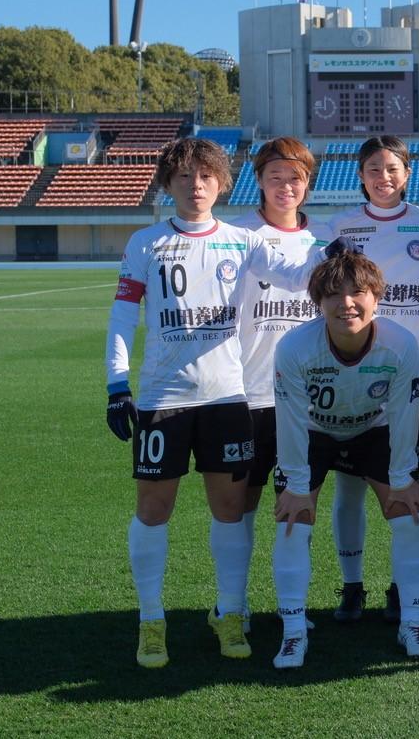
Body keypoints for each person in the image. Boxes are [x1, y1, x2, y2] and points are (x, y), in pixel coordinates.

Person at [104, 137, 321, 669]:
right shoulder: (146, 243)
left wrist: (334, 249)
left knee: (229, 511)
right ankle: (150, 621)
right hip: (163, 399)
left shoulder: (242, 240)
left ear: (222, 184)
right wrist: (117, 384)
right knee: (153, 511)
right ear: (168, 184)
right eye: (184, 177)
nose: (195, 186)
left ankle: (229, 611)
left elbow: (297, 276)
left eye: (205, 177)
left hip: (227, 398)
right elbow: (122, 315)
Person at [271, 242, 419, 668]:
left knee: (409, 514)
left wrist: (403, 477)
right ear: (317, 302)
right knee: (292, 521)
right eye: (333, 294)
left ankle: (412, 622)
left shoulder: (401, 344)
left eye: (358, 292)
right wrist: (296, 486)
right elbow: (289, 420)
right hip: (314, 433)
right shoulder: (294, 347)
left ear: (376, 297)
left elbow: (404, 415)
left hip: (373, 430)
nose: (346, 303)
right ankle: (293, 631)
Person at [328, 136, 419, 624]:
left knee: (410, 485)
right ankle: (352, 586)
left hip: (416, 379)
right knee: (349, 488)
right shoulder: (341, 228)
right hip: (354, 375)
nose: (384, 177)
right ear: (360, 175)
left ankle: (403, 586)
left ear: (408, 173)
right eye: (374, 168)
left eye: (392, 168)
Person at [229, 137, 328, 632]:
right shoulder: (236, 234)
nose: (286, 186)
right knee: (240, 505)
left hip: (305, 402)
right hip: (246, 394)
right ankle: (234, 603)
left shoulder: (324, 239)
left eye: (295, 177)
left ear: (308, 183)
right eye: (275, 177)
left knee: (297, 506)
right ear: (259, 180)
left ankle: (293, 606)